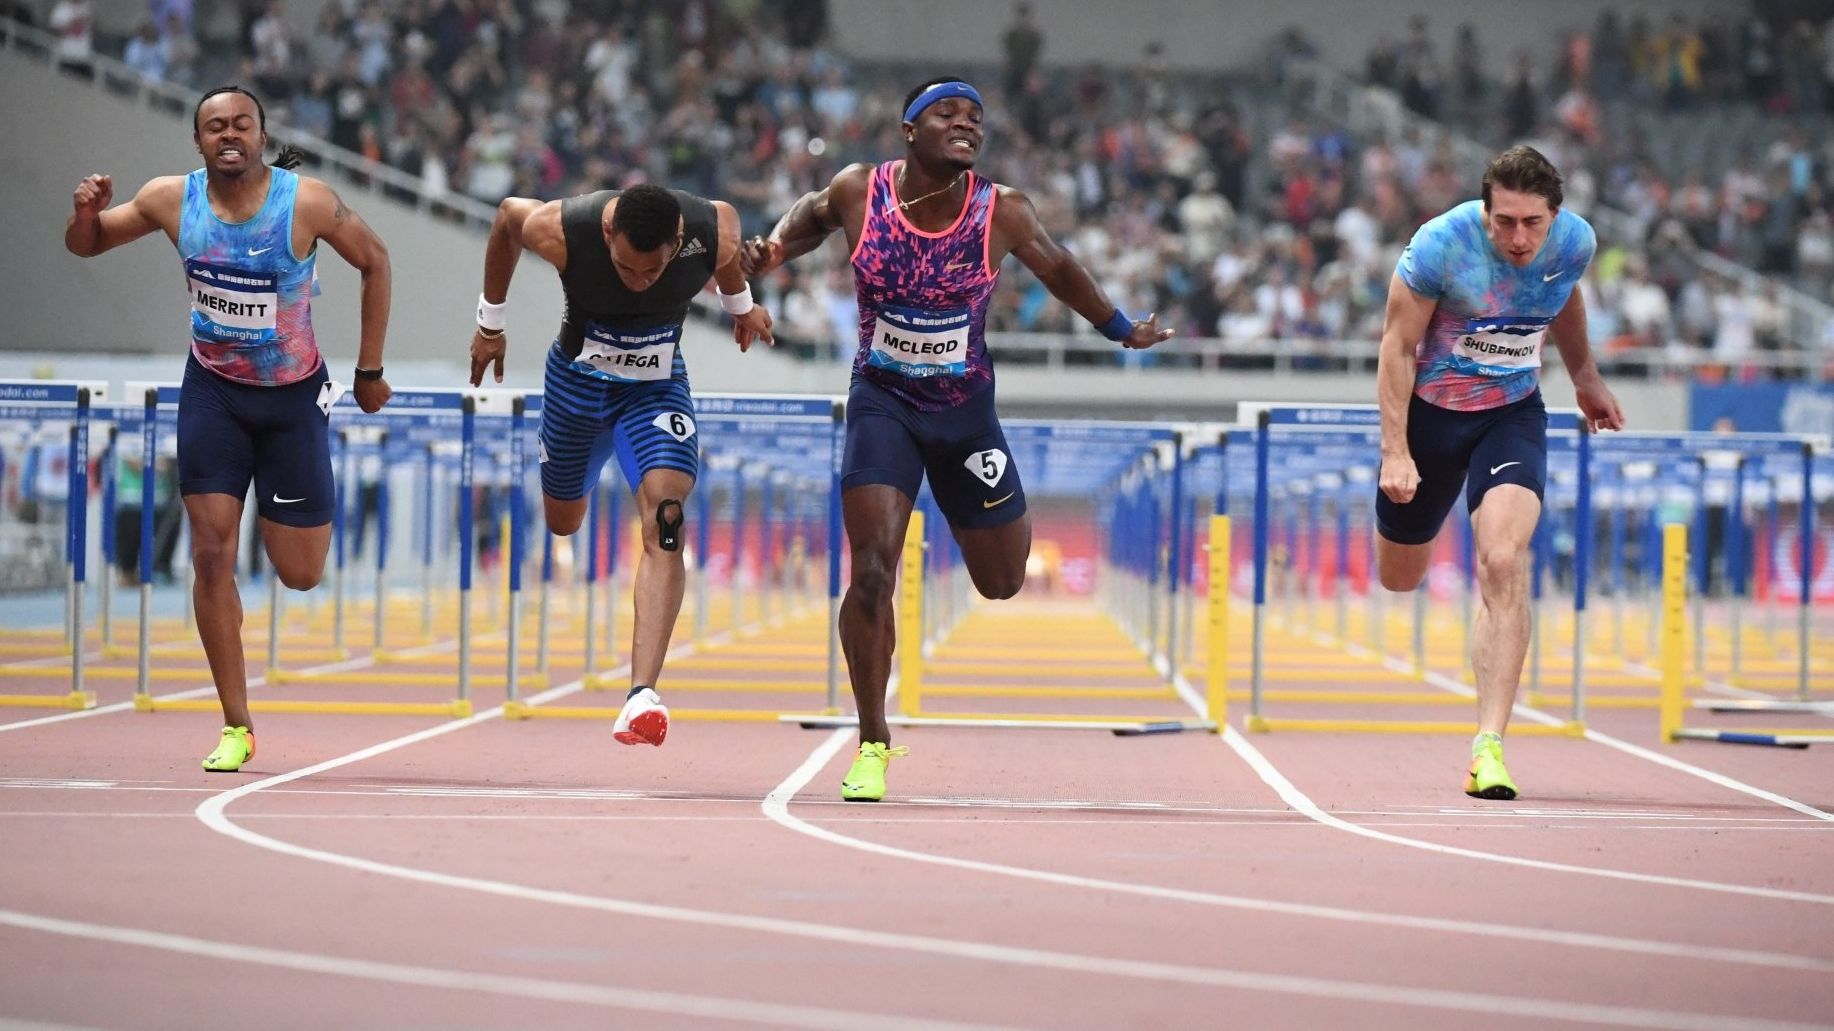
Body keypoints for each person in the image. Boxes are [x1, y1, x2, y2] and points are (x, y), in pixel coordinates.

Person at [742, 77, 1172, 801]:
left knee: (1002, 581)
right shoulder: (860, 190)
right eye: (948, 114)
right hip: (883, 403)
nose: (966, 124)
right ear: (910, 129)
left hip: (965, 414)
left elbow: (1060, 268)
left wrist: (1120, 327)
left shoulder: (1000, 210)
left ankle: (964, 508)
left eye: (976, 117)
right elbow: (812, 217)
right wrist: (775, 250)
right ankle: (873, 740)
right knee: (873, 570)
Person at [65, 85, 393, 772]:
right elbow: (88, 247)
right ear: (199, 142)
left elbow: (375, 259)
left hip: (293, 399)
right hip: (212, 393)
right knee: (211, 551)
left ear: (261, 134)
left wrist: (368, 371)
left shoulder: (303, 202)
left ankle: (265, 619)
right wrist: (86, 215)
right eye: (215, 126)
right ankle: (235, 722)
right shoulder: (168, 199)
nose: (229, 134)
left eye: (242, 123)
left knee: (300, 574)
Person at [470, 183, 775, 748]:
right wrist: (491, 324)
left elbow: (726, 256)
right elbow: (506, 218)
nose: (639, 281)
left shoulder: (715, 224)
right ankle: (569, 479)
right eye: (626, 269)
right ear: (607, 235)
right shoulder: (561, 228)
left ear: (678, 241)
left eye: (653, 271)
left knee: (666, 517)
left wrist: (742, 306)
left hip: (655, 389)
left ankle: (641, 696)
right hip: (576, 388)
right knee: (563, 519)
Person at [1374, 145, 1624, 800]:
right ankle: (1409, 502)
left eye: (1532, 223)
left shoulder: (1575, 242)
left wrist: (1585, 375)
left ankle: (1489, 745)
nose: (1518, 237)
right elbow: (1398, 346)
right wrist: (1395, 450)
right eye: (1505, 221)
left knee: (1504, 561)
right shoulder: (1441, 245)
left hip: (1510, 414)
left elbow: (1562, 295)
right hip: (1431, 418)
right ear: (1485, 211)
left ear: (1555, 217)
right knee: (1400, 576)